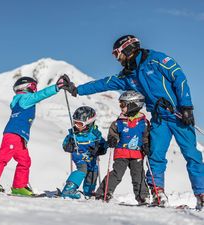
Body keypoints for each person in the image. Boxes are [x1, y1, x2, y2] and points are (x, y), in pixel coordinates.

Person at [65, 35, 204, 209]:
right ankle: (158, 193)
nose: (117, 58)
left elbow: (179, 77)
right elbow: (104, 83)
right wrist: (77, 89)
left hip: (178, 116)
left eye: (117, 53)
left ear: (128, 48)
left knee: (192, 155)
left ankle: (201, 193)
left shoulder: (157, 60)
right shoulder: (128, 75)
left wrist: (186, 106)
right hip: (159, 120)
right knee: (155, 156)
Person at [0, 75, 72, 196]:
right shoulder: (25, 99)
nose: (35, 89)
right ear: (24, 87)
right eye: (33, 86)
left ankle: (19, 186)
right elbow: (41, 95)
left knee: (25, 161)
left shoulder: (20, 100)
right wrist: (57, 87)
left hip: (20, 137)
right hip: (13, 134)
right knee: (4, 156)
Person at [95, 91, 150, 205]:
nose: (121, 107)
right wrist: (112, 139)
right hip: (121, 152)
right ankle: (103, 193)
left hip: (137, 154)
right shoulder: (118, 122)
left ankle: (143, 197)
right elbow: (113, 133)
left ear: (133, 105)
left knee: (138, 175)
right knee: (117, 173)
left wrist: (146, 145)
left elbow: (146, 136)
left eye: (122, 105)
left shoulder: (144, 123)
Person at [61, 106, 107, 199]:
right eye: (75, 123)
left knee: (93, 171)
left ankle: (88, 191)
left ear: (89, 123)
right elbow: (65, 143)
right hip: (79, 155)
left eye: (80, 124)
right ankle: (69, 189)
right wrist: (68, 146)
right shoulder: (73, 134)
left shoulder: (95, 134)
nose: (77, 126)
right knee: (82, 169)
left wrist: (101, 149)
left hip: (92, 157)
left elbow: (103, 144)